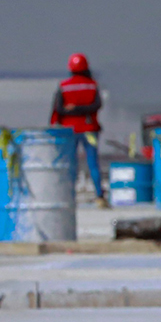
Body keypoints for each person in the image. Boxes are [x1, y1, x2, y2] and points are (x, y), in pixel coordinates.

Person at [51, 53, 107, 207]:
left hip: (70, 131)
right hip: (89, 130)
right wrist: (83, 110)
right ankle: (99, 197)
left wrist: (73, 109)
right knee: (93, 163)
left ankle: (68, 195)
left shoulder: (64, 86)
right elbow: (97, 105)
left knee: (70, 164)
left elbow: (59, 109)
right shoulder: (92, 85)